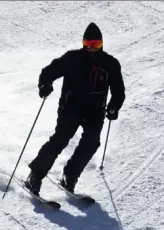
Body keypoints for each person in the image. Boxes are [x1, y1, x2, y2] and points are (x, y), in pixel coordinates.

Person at [24, 22, 125, 195]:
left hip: (95, 111)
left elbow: (118, 91)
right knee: (60, 140)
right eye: (88, 44)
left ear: (102, 44)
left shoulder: (111, 64)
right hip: (71, 108)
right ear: (83, 43)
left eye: (96, 45)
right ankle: (35, 175)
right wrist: (44, 85)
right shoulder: (72, 58)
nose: (92, 49)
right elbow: (48, 71)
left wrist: (113, 107)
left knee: (92, 142)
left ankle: (70, 175)